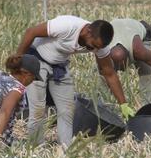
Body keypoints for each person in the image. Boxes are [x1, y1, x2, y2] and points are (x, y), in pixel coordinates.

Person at [16, 15, 129, 147]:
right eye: (92, 46)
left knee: (67, 110)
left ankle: (65, 147)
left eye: (98, 48)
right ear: (88, 31)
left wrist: (123, 104)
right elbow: (31, 32)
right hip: (37, 59)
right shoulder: (66, 25)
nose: (94, 50)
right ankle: (36, 146)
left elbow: (109, 73)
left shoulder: (99, 45)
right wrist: (18, 61)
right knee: (38, 109)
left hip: (59, 65)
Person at [105, 18, 151, 104]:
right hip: (116, 27)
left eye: (122, 66)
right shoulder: (104, 50)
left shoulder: (139, 51)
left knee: (146, 72)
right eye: (117, 66)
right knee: (102, 76)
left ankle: (148, 106)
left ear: (129, 57)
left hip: (137, 29)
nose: (122, 70)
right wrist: (121, 103)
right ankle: (104, 104)